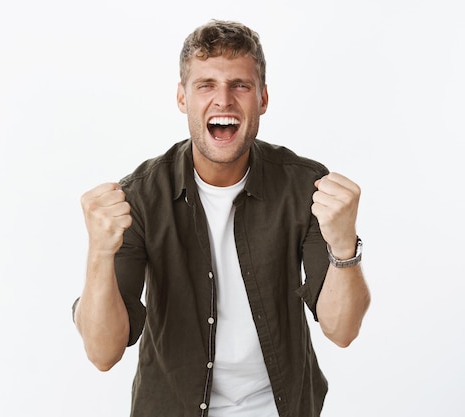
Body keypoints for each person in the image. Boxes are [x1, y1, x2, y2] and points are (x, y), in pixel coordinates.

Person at [72, 19, 371, 417]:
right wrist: (98, 253)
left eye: (240, 86)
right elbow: (102, 352)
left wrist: (343, 245)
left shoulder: (306, 187)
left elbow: (342, 330)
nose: (224, 100)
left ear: (262, 98)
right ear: (183, 97)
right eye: (206, 85)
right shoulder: (140, 198)